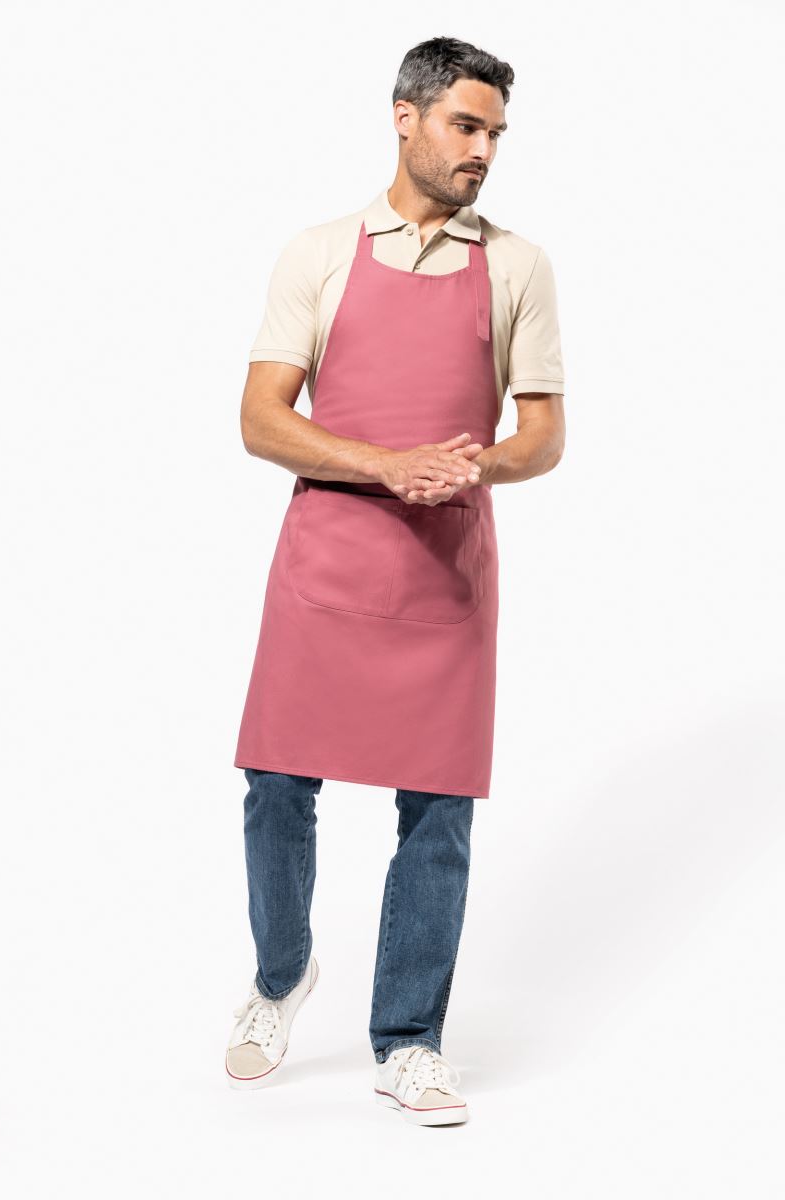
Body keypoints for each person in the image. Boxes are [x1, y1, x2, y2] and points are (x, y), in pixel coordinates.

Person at [225, 35, 565, 1127]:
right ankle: (281, 976)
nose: (483, 151)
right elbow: (261, 419)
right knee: (277, 786)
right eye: (466, 126)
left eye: (495, 133)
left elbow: (543, 437)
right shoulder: (319, 252)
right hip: (325, 560)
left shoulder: (517, 267)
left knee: (439, 810)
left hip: (443, 575)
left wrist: (472, 466)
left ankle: (408, 1039)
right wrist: (385, 464)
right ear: (404, 118)